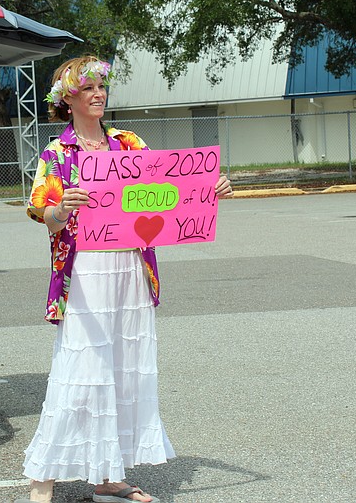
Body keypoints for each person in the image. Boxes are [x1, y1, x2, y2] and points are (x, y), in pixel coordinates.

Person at [23, 55, 233, 503]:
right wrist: (65, 208)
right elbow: (45, 214)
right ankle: (42, 478)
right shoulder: (57, 154)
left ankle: (108, 478)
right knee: (81, 367)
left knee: (122, 369)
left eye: (102, 87)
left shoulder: (128, 143)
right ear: (68, 99)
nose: (99, 94)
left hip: (131, 268)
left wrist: (207, 190)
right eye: (89, 88)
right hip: (86, 271)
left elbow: (170, 186)